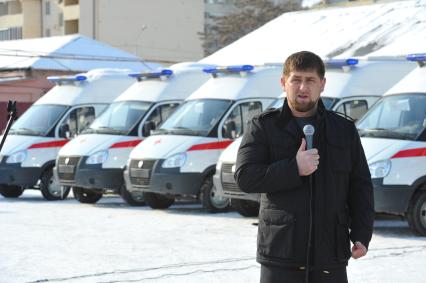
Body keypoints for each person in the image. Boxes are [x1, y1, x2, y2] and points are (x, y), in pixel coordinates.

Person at [234, 51, 374, 283]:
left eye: (310, 80)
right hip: (281, 253)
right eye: (296, 79)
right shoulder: (263, 127)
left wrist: (361, 234)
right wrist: (293, 168)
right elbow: (245, 177)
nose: (302, 87)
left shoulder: (343, 129)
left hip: (330, 253)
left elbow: (360, 185)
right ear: (283, 82)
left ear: (322, 84)